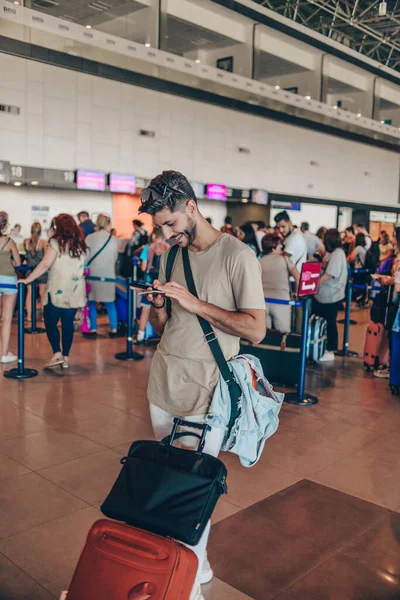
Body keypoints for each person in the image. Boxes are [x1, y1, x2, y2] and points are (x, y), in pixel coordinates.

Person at [138, 170, 266, 600]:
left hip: (208, 389)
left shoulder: (237, 255)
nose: (167, 233)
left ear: (191, 207)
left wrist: (195, 303)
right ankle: (201, 562)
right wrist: (160, 306)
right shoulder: (170, 255)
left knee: (189, 488)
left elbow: (256, 330)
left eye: (171, 223)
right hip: (165, 381)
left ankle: (186, 581)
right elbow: (166, 326)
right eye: (160, 227)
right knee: (167, 477)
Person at [21, 214, 87, 369]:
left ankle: (57, 353)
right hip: (74, 290)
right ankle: (65, 358)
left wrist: (28, 279)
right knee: (67, 324)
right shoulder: (80, 244)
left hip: (58, 290)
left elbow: (45, 265)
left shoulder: (55, 243)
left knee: (50, 322)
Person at [313, 229, 348, 362]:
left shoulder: (338, 254)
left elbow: (329, 274)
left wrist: (314, 285)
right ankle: (323, 347)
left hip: (331, 295)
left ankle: (331, 349)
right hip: (325, 295)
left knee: (330, 322)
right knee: (325, 321)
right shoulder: (334, 253)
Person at [85, 214, 119, 338]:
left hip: (92, 275)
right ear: (108, 225)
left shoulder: (89, 237)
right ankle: (114, 329)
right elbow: (115, 258)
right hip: (108, 274)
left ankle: (93, 328)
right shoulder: (114, 239)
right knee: (110, 302)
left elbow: (85, 257)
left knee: (92, 302)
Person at [260, 234, 300, 333]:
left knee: (265, 334)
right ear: (273, 248)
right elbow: (298, 277)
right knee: (283, 333)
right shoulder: (285, 259)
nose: (282, 247)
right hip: (282, 302)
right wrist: (297, 294)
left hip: (262, 302)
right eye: (279, 245)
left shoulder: (259, 261)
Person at [136, 228, 169, 345]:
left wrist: (140, 265)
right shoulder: (169, 248)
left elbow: (144, 267)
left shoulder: (148, 248)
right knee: (164, 310)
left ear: (154, 236)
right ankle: (165, 338)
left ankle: (140, 335)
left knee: (145, 310)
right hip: (164, 285)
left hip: (149, 283)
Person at [0, 212, 21, 363]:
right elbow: (18, 262)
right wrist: (11, 263)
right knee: (6, 320)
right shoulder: (9, 241)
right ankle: (4, 354)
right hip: (9, 281)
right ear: (5, 225)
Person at [24, 222, 48, 323]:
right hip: (41, 271)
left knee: (29, 294)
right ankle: (44, 317)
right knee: (43, 294)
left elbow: (26, 257)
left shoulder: (26, 242)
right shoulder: (44, 243)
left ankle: (29, 316)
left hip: (30, 270)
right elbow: (46, 258)